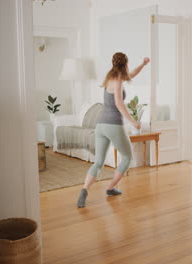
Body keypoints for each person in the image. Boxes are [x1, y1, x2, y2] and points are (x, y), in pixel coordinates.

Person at [77, 52, 150, 208]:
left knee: (98, 163)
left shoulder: (111, 77)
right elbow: (119, 103)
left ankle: (84, 190)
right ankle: (110, 188)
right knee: (127, 157)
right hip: (113, 125)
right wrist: (133, 122)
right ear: (125, 63)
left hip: (100, 125)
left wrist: (143, 65)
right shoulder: (118, 80)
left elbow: (131, 74)